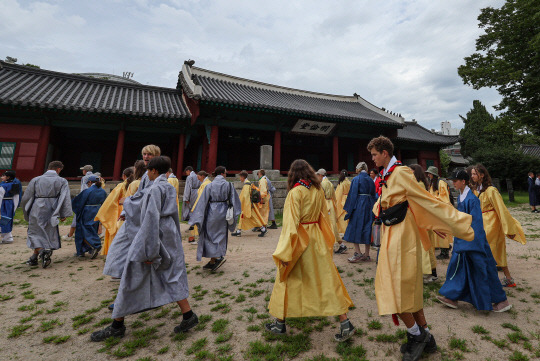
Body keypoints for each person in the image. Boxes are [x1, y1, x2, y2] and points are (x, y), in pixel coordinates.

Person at [368, 136, 474, 361]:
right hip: (392, 232)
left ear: (385, 153)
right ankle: (424, 335)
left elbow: (424, 200)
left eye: (375, 154)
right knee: (401, 285)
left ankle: (416, 335)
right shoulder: (388, 174)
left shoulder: (401, 173)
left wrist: (448, 221)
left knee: (397, 286)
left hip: (402, 235)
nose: (372, 158)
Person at [91, 156, 199, 342]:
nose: (146, 173)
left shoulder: (156, 188)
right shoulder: (167, 186)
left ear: (154, 171)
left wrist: (149, 251)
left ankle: (117, 325)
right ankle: (188, 315)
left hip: (154, 237)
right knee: (170, 275)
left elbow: (149, 218)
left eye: (148, 170)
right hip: (169, 235)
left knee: (131, 278)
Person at [266, 159, 355, 342]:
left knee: (286, 277)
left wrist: (284, 251)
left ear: (292, 174)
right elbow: (324, 218)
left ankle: (280, 323)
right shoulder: (317, 190)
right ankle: (345, 323)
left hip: (300, 240)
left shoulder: (295, 192)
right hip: (317, 239)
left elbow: (290, 226)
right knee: (328, 280)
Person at [437, 170, 512, 312]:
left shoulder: (472, 200)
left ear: (463, 182)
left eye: (456, 180)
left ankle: (502, 301)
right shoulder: (461, 197)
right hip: (464, 240)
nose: (453, 183)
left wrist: (469, 242)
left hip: (474, 242)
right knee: (458, 268)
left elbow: (476, 224)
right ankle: (452, 297)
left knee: (484, 270)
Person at [471, 164, 526, 287]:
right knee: (494, 251)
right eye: (472, 174)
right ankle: (508, 279)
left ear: (482, 175)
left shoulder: (491, 190)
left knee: (489, 251)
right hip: (482, 223)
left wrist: (509, 229)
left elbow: (501, 209)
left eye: (474, 174)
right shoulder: (477, 190)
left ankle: (487, 282)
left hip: (492, 224)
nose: (472, 176)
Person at [20, 161, 72, 268]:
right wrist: (63, 213)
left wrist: (26, 210)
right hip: (53, 208)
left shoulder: (36, 179)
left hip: (37, 207)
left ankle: (42, 252)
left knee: (34, 232)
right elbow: (65, 197)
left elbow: (27, 197)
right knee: (48, 232)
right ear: (58, 169)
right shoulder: (62, 181)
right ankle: (36, 256)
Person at [189, 166, 241, 272]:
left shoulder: (210, 185)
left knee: (210, 235)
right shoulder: (229, 185)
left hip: (211, 212)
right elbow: (234, 200)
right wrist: (235, 212)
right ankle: (216, 258)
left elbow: (202, 201)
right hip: (224, 212)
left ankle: (214, 259)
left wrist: (198, 216)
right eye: (226, 173)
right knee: (221, 235)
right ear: (222, 174)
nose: (226, 175)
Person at [95, 167, 134, 256]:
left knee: (116, 232)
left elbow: (111, 201)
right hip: (133, 211)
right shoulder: (137, 184)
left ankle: (115, 254)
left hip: (121, 210)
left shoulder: (121, 185)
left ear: (123, 176)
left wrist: (103, 214)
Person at [409, 165, 438, 283]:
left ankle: (427, 274)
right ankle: (431, 271)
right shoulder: (421, 183)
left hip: (420, 218)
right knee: (426, 245)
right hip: (420, 217)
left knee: (423, 245)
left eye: (411, 171)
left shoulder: (418, 184)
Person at [343, 162, 375, 263]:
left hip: (359, 205)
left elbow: (353, 195)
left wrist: (349, 209)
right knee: (367, 227)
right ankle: (367, 254)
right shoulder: (370, 179)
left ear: (358, 169)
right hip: (369, 205)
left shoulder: (356, 179)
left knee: (354, 226)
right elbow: (374, 194)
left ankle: (357, 253)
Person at [71, 175, 107, 259]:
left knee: (82, 230)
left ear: (90, 182)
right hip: (97, 211)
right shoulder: (103, 191)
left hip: (87, 211)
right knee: (93, 229)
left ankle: (94, 245)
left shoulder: (87, 191)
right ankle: (89, 249)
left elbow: (79, 202)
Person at [425, 166, 453, 260]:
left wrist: (433, 200)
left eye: (429, 173)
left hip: (441, 209)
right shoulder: (432, 183)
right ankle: (444, 249)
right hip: (436, 209)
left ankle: (445, 251)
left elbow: (444, 197)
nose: (428, 175)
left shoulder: (440, 182)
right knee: (439, 231)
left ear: (433, 174)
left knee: (443, 230)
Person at [316, 169, 344, 254]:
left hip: (326, 204)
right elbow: (334, 196)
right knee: (332, 224)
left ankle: (336, 244)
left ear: (320, 175)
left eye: (318, 175)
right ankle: (338, 243)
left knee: (329, 225)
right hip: (330, 203)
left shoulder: (323, 183)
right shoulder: (329, 183)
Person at [232, 170, 267, 237]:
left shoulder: (246, 185)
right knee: (242, 217)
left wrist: (240, 203)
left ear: (242, 177)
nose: (240, 179)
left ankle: (263, 229)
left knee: (254, 218)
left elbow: (244, 196)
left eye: (240, 177)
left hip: (248, 205)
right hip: (249, 204)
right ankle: (238, 231)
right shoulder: (249, 183)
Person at [64, 165, 94, 241]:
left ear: (85, 171)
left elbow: (84, 189)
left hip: (85, 199)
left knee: (77, 217)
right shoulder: (96, 177)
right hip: (94, 200)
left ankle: (70, 235)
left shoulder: (84, 178)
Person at [187, 170, 212, 243]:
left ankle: (194, 238)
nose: (197, 178)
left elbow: (201, 197)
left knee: (196, 222)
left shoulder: (205, 184)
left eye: (198, 176)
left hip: (201, 205)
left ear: (202, 176)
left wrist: (196, 206)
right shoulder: (207, 183)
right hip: (205, 205)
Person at [0, 170, 22, 244]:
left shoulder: (2, 186)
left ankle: (7, 237)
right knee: (7, 219)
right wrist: (14, 208)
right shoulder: (15, 185)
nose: (2, 177)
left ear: (8, 177)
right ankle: (8, 237)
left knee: (2, 219)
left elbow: (0, 197)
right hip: (10, 204)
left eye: (3, 176)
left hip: (3, 204)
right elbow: (16, 198)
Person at [335, 169, 351, 236]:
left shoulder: (342, 183)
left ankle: (345, 232)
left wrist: (337, 202)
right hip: (349, 199)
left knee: (342, 217)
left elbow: (339, 194)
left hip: (342, 200)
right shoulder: (349, 182)